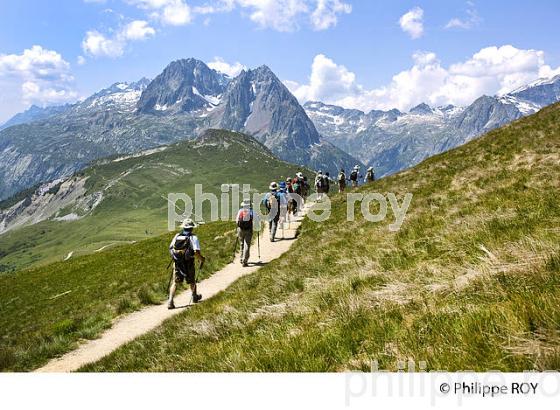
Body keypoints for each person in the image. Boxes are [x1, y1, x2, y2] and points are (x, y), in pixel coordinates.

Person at [168, 218, 205, 309]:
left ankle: (170, 301)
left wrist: (176, 258)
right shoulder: (193, 237)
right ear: (192, 228)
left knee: (175, 282)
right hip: (188, 263)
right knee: (192, 280)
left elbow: (171, 248)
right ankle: (194, 296)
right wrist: (201, 259)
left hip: (177, 263)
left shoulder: (177, 236)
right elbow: (196, 252)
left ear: (183, 227)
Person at [236, 199, 254, 267]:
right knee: (247, 245)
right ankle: (244, 260)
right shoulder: (251, 211)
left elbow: (237, 220)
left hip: (240, 229)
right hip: (248, 230)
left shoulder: (240, 211)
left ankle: (241, 258)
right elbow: (256, 219)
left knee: (241, 244)